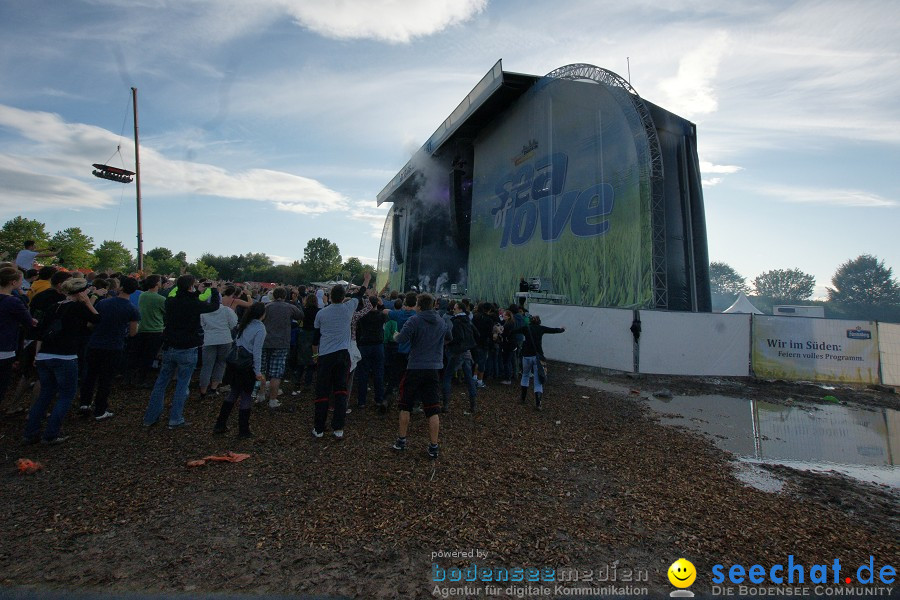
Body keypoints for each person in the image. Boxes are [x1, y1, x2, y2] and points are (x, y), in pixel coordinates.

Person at [24, 277, 99, 444]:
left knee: (45, 394)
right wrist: (88, 303)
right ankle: (51, 434)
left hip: (45, 355)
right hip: (65, 356)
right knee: (66, 396)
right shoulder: (78, 307)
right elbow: (97, 319)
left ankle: (30, 432)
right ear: (81, 292)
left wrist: (37, 355)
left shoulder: (53, 307)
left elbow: (41, 333)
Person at [142, 275, 221, 429]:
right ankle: (175, 418)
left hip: (170, 346)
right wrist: (214, 290)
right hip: (187, 347)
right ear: (191, 287)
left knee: (161, 383)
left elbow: (185, 297)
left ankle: (150, 418)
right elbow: (214, 307)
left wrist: (197, 291)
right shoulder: (193, 304)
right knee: (181, 385)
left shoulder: (170, 301)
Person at [391, 293, 452, 459]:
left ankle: (401, 441)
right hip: (434, 368)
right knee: (433, 409)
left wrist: (395, 335)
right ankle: (434, 446)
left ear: (419, 305)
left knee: (405, 405)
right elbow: (449, 338)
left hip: (415, 366)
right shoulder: (441, 321)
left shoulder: (414, 320)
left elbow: (401, 339)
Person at [311, 272, 371, 439]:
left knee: (322, 392)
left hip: (325, 355)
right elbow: (359, 295)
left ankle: (319, 428)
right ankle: (338, 428)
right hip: (342, 355)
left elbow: (315, 339)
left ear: (329, 296)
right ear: (344, 296)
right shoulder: (348, 308)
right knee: (341, 391)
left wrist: (315, 357)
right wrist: (366, 280)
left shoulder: (321, 313)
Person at [79, 276, 141, 420]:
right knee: (106, 379)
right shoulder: (132, 308)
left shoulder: (103, 303)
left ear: (121, 288)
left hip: (95, 343)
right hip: (114, 346)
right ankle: (100, 410)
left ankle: (84, 403)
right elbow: (133, 332)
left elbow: (90, 324)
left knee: (90, 375)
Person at [213, 302, 266, 437]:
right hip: (247, 365)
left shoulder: (244, 324)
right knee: (246, 396)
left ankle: (220, 424)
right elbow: (257, 352)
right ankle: (243, 430)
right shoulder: (260, 328)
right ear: (262, 314)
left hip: (235, 363)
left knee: (233, 392)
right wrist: (258, 371)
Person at [511, 315, 565, 410]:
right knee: (538, 380)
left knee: (525, 375)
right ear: (539, 321)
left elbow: (513, 331)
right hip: (537, 356)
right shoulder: (541, 328)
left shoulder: (526, 328)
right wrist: (562, 329)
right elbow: (554, 330)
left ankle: (523, 398)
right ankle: (538, 403)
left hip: (526, 355)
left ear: (530, 321)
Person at [261, 287, 302, 410]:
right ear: (285, 296)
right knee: (276, 373)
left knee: (262, 370)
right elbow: (301, 315)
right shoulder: (289, 307)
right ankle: (273, 400)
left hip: (266, 341)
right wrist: (296, 301)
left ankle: (261, 394)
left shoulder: (266, 306)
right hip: (282, 342)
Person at [0, 267, 35, 408]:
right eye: (21, 280)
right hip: (4, 348)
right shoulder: (13, 301)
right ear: (13, 282)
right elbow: (29, 321)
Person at [198, 288, 239, 398]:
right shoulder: (226, 310)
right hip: (224, 338)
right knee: (221, 363)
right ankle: (213, 388)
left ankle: (203, 390)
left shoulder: (203, 311)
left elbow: (202, 325)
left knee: (207, 365)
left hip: (209, 339)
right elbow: (233, 323)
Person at [441, 300, 479, 414]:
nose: (453, 309)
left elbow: (459, 337)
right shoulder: (468, 321)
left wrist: (449, 343)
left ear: (460, 310)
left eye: (455, 308)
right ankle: (473, 405)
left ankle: (445, 405)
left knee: (447, 377)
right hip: (467, 352)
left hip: (457, 352)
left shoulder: (457, 322)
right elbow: (476, 334)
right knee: (469, 378)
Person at [354, 293, 386, 410]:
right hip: (378, 345)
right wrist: (381, 306)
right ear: (377, 303)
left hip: (364, 345)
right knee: (379, 373)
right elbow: (384, 314)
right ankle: (379, 399)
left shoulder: (363, 316)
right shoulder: (381, 316)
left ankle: (362, 401)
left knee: (363, 373)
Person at [133, 275, 166, 387]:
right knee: (149, 356)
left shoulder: (143, 295)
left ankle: (135, 377)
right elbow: (166, 312)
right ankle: (142, 380)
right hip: (155, 330)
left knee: (141, 355)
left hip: (142, 328)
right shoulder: (160, 299)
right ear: (157, 283)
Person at [294, 293, 319, 390]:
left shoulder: (304, 311)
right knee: (312, 359)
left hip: (303, 334)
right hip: (314, 334)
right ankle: (308, 383)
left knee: (301, 358)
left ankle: (297, 381)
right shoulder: (318, 311)